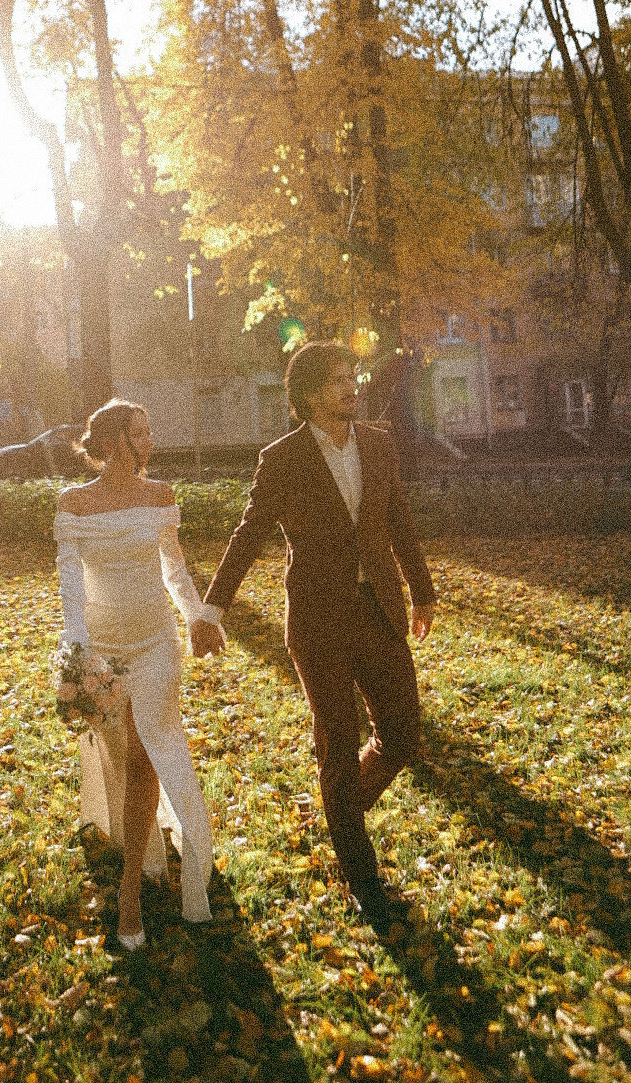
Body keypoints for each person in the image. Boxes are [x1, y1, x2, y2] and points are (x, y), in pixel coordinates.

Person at [191, 342, 437, 928]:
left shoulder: (378, 444)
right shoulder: (282, 458)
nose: (352, 385)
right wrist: (213, 609)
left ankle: (340, 810)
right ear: (308, 395)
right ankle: (359, 871)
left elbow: (398, 521)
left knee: (402, 734)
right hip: (317, 620)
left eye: (352, 375)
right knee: (337, 737)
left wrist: (422, 591)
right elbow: (249, 533)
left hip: (377, 609)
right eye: (337, 379)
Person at [54, 399, 221, 950]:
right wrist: (79, 654)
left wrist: (196, 615)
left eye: (149, 429)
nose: (149, 438)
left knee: (150, 752)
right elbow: (72, 590)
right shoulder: (73, 505)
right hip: (101, 650)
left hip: (155, 646)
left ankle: (130, 894)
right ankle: (140, 849)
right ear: (116, 439)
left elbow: (173, 567)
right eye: (140, 430)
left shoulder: (161, 497)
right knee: (121, 751)